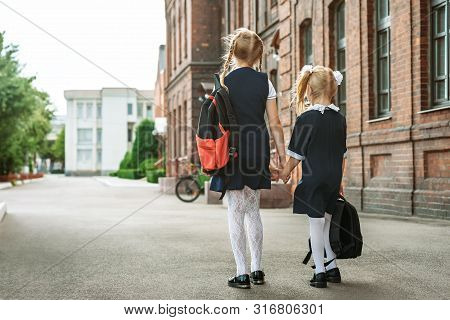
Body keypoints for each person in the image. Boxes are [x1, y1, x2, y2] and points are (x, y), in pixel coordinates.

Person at [209, 28, 286, 289]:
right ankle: (257, 270)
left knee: (235, 211)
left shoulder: (224, 81)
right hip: (257, 147)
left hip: (231, 150)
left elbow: (217, 123)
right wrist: (282, 158)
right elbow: (274, 122)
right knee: (253, 210)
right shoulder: (265, 82)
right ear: (258, 55)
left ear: (234, 52)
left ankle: (241, 273)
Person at [278, 65, 347, 288]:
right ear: (333, 90)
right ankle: (332, 268)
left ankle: (319, 273)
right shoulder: (340, 119)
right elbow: (342, 155)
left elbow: (296, 154)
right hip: (333, 180)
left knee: (316, 226)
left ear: (309, 90)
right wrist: (340, 182)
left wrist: (285, 172)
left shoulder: (306, 118)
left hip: (314, 178)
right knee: (326, 223)